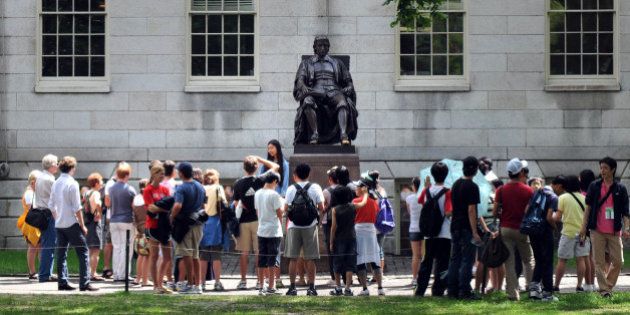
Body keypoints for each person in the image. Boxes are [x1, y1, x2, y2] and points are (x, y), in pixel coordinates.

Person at [293, 35, 358, 145]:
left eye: (325, 45)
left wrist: (349, 87)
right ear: (315, 47)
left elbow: (348, 81)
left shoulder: (337, 63)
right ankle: (314, 134)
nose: (322, 48)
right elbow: (300, 79)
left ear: (328, 48)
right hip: (315, 92)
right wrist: (303, 86)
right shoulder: (306, 63)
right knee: (307, 101)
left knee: (342, 102)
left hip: (334, 91)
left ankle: (343, 135)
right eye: (320, 45)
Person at [580, 157, 630, 298]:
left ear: (612, 170)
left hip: (614, 230)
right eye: (601, 168)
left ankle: (607, 285)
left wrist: (626, 228)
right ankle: (604, 291)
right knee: (599, 262)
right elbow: (588, 208)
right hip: (597, 230)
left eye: (605, 168)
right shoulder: (594, 186)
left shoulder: (620, 188)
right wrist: (583, 227)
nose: (602, 171)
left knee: (619, 261)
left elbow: (626, 211)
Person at [49, 156, 98, 291]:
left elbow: (51, 205)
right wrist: (82, 225)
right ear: (72, 168)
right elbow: (77, 208)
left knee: (61, 254)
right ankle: (84, 283)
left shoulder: (56, 183)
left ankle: (62, 282)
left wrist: (58, 217)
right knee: (83, 252)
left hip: (59, 224)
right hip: (71, 223)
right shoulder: (73, 183)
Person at [233, 155, 279, 290]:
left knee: (244, 252)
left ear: (244, 168)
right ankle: (260, 281)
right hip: (258, 220)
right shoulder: (260, 179)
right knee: (259, 252)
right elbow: (275, 167)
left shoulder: (238, 183)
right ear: (256, 167)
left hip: (243, 221)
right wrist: (259, 158)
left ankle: (243, 281)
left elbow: (236, 203)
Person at [492, 158, 534, 301]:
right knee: (528, 259)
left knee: (509, 261)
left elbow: (494, 211)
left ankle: (512, 293)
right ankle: (531, 288)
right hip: (522, 229)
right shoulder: (528, 190)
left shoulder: (501, 189)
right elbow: (530, 211)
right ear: (521, 172)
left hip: (505, 228)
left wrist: (502, 213)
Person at [284, 163, 325, 296]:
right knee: (310, 258)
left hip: (293, 226)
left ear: (295, 175)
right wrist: (317, 221)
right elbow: (321, 207)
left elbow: (286, 208)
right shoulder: (315, 187)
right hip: (310, 226)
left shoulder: (291, 189)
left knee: (293, 258)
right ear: (309, 174)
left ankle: (292, 287)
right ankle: (311, 288)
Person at [415, 162, 453, 297]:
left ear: (432, 174)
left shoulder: (427, 190)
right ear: (446, 175)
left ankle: (420, 289)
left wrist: (426, 188)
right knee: (442, 263)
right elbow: (449, 212)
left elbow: (420, 201)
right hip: (444, 233)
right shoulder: (448, 192)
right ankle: (438, 290)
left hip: (429, 233)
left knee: (427, 261)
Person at [170, 162, 206, 295]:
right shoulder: (200, 186)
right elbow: (203, 205)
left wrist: (171, 217)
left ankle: (190, 284)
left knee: (186, 255)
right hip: (198, 224)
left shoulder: (182, 187)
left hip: (185, 225)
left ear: (181, 173)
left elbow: (178, 205)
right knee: (195, 255)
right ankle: (198, 285)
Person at [447, 156, 481, 300]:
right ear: (476, 170)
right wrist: (474, 231)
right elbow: (471, 210)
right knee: (468, 259)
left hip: (455, 225)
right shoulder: (472, 187)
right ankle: (465, 291)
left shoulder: (456, 184)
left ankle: (452, 290)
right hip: (467, 227)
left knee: (455, 259)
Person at [329, 185, 369, 296]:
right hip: (351, 238)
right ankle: (347, 288)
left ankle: (338, 287)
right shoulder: (352, 206)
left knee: (337, 263)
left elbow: (333, 227)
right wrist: (365, 193)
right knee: (350, 264)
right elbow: (364, 203)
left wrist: (331, 242)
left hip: (338, 239)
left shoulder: (335, 210)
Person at [554, 175, 589, 293]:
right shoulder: (584, 198)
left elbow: (557, 217)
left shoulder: (563, 197)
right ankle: (579, 286)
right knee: (581, 260)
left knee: (562, 260)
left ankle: (556, 285)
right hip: (582, 234)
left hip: (567, 233)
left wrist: (551, 217)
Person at [527, 178, 559, 302]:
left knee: (539, 260)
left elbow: (526, 211)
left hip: (533, 231)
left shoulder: (534, 195)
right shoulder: (553, 197)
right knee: (548, 262)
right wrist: (555, 228)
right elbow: (549, 217)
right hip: (545, 232)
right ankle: (547, 293)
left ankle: (534, 291)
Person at [143, 164, 173, 294]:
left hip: (165, 226)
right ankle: (155, 286)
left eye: (163, 174)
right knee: (154, 256)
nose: (162, 176)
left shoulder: (165, 190)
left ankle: (160, 284)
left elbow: (170, 206)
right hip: (153, 226)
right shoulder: (147, 190)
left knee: (167, 257)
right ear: (154, 174)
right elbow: (149, 208)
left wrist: (159, 208)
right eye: (160, 173)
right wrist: (163, 208)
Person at [353, 175, 385, 296]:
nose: (355, 188)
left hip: (359, 231)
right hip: (371, 231)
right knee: (375, 260)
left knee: (360, 260)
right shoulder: (374, 202)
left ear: (363, 188)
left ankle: (365, 288)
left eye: (357, 186)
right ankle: (380, 287)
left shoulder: (356, 201)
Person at [254, 171, 285, 295]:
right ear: (274, 181)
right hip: (273, 231)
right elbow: (280, 214)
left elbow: (257, 212)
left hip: (261, 229)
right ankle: (271, 286)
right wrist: (283, 204)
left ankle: (261, 286)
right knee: (272, 260)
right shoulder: (274, 195)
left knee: (262, 259)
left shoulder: (257, 193)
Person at [108, 162, 137, 282]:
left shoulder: (111, 188)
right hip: (126, 220)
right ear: (127, 174)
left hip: (114, 220)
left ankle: (116, 274)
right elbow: (134, 206)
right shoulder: (130, 189)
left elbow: (109, 203)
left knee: (117, 247)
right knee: (127, 248)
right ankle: (123, 274)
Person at [199, 169, 227, 292]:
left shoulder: (201, 188)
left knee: (203, 255)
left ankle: (202, 283)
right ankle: (217, 282)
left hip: (203, 222)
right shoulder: (218, 188)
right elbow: (223, 204)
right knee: (216, 254)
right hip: (215, 223)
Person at [36, 154, 59, 283]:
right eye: (56, 163)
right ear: (50, 165)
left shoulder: (40, 177)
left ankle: (47, 273)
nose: (58, 165)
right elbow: (55, 199)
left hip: (43, 214)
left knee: (48, 244)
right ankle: (45, 275)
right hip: (49, 214)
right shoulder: (49, 180)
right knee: (49, 245)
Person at [16, 170, 41, 279]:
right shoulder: (29, 193)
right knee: (33, 247)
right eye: (38, 182)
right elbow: (33, 208)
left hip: (34, 222)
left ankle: (42, 271)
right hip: (31, 224)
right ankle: (32, 272)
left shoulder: (32, 192)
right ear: (32, 182)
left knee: (39, 247)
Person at [84, 172, 105, 282]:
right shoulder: (96, 193)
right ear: (96, 183)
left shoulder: (87, 193)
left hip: (88, 222)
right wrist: (99, 212)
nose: (102, 183)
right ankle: (93, 273)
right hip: (94, 223)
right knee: (95, 250)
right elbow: (97, 203)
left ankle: (88, 272)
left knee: (89, 250)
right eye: (101, 181)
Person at [579, 169, 598, 292]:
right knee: (591, 256)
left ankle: (588, 283)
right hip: (593, 226)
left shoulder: (582, 195)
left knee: (585, 256)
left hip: (583, 227)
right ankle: (592, 283)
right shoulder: (595, 192)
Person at [322, 166, 339, 286]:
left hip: (328, 222)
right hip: (342, 222)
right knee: (341, 249)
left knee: (331, 249)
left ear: (330, 179)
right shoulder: (344, 189)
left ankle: (334, 277)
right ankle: (344, 276)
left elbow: (322, 208)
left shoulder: (326, 191)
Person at [133, 179, 150, 286]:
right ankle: (145, 280)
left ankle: (138, 279)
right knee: (146, 255)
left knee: (141, 255)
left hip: (138, 229)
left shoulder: (136, 198)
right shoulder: (146, 198)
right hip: (147, 229)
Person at [406, 177, 423, 287]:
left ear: (414, 186)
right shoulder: (425, 197)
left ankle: (414, 278)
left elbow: (409, 212)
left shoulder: (409, 198)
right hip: (424, 229)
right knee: (423, 256)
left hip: (413, 228)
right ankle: (422, 277)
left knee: (415, 256)